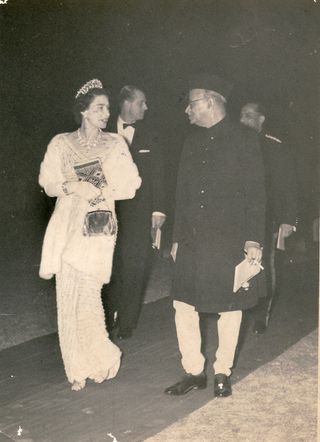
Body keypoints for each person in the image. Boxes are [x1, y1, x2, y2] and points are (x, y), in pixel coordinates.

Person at [165, 74, 266, 398]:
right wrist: (177, 238)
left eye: (191, 104)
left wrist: (253, 240)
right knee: (183, 304)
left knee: (230, 306)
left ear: (209, 101)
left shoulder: (246, 139)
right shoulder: (190, 140)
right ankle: (193, 371)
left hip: (228, 239)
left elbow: (256, 194)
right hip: (193, 240)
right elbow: (181, 193)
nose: (187, 111)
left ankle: (222, 371)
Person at [39, 79, 141, 391]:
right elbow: (48, 181)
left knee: (89, 290)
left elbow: (130, 185)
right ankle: (76, 368)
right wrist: (72, 186)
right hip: (67, 221)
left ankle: (100, 359)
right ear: (83, 111)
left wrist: (99, 187)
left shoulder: (115, 143)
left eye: (108, 108)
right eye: (99, 108)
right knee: (68, 294)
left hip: (99, 219)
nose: (106, 113)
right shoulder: (60, 143)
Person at [101, 85, 166, 340]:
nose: (146, 107)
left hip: (139, 212)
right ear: (127, 103)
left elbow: (158, 174)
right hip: (107, 210)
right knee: (107, 264)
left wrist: (159, 210)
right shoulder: (102, 131)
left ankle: (127, 321)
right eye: (142, 102)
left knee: (134, 265)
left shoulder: (151, 134)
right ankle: (106, 318)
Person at [240, 102, 298, 334]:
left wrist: (289, 219)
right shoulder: (235, 143)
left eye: (248, 116)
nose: (243, 120)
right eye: (241, 116)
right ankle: (241, 309)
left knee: (266, 265)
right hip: (240, 216)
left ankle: (261, 314)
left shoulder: (274, 147)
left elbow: (288, 184)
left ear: (261, 119)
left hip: (268, 218)